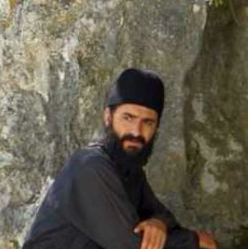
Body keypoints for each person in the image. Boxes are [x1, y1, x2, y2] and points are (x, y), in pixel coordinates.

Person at [22, 68, 219, 249]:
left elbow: (164, 215)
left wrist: (158, 223)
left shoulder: (129, 170)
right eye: (128, 118)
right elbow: (130, 245)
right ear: (108, 117)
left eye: (147, 122)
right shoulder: (90, 167)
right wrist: (194, 241)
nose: (136, 132)